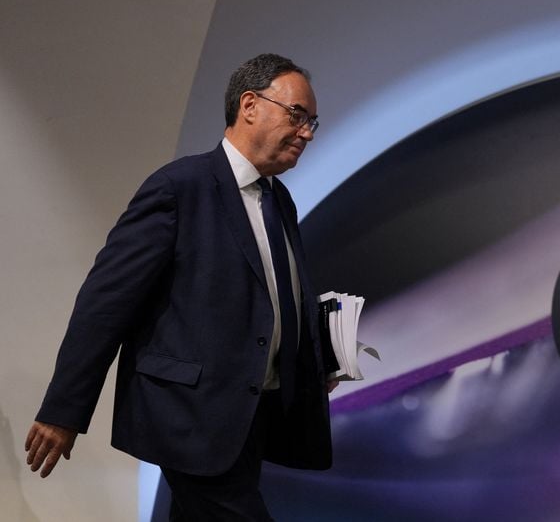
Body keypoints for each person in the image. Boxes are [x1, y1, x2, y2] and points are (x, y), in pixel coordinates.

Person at [25, 53, 340, 520]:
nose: (307, 133)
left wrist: (316, 360)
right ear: (249, 105)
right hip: (188, 415)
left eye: (311, 121)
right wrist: (63, 411)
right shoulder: (179, 187)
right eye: (297, 115)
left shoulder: (280, 201)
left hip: (249, 418)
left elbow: (276, 299)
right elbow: (105, 304)